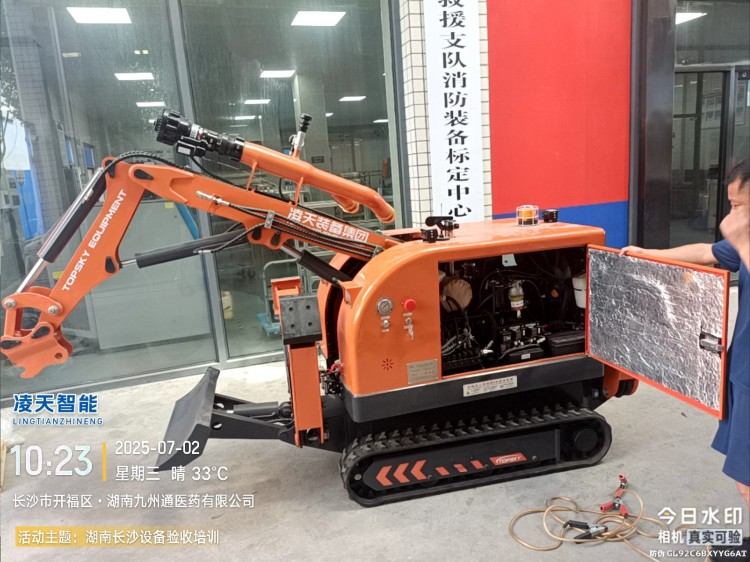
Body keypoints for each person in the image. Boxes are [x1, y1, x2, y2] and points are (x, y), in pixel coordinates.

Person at [621, 158, 749, 559]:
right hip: (743, 370)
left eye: (739, 206)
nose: (731, 215)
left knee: (747, 479)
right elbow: (707, 253)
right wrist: (650, 253)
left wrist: (743, 241)